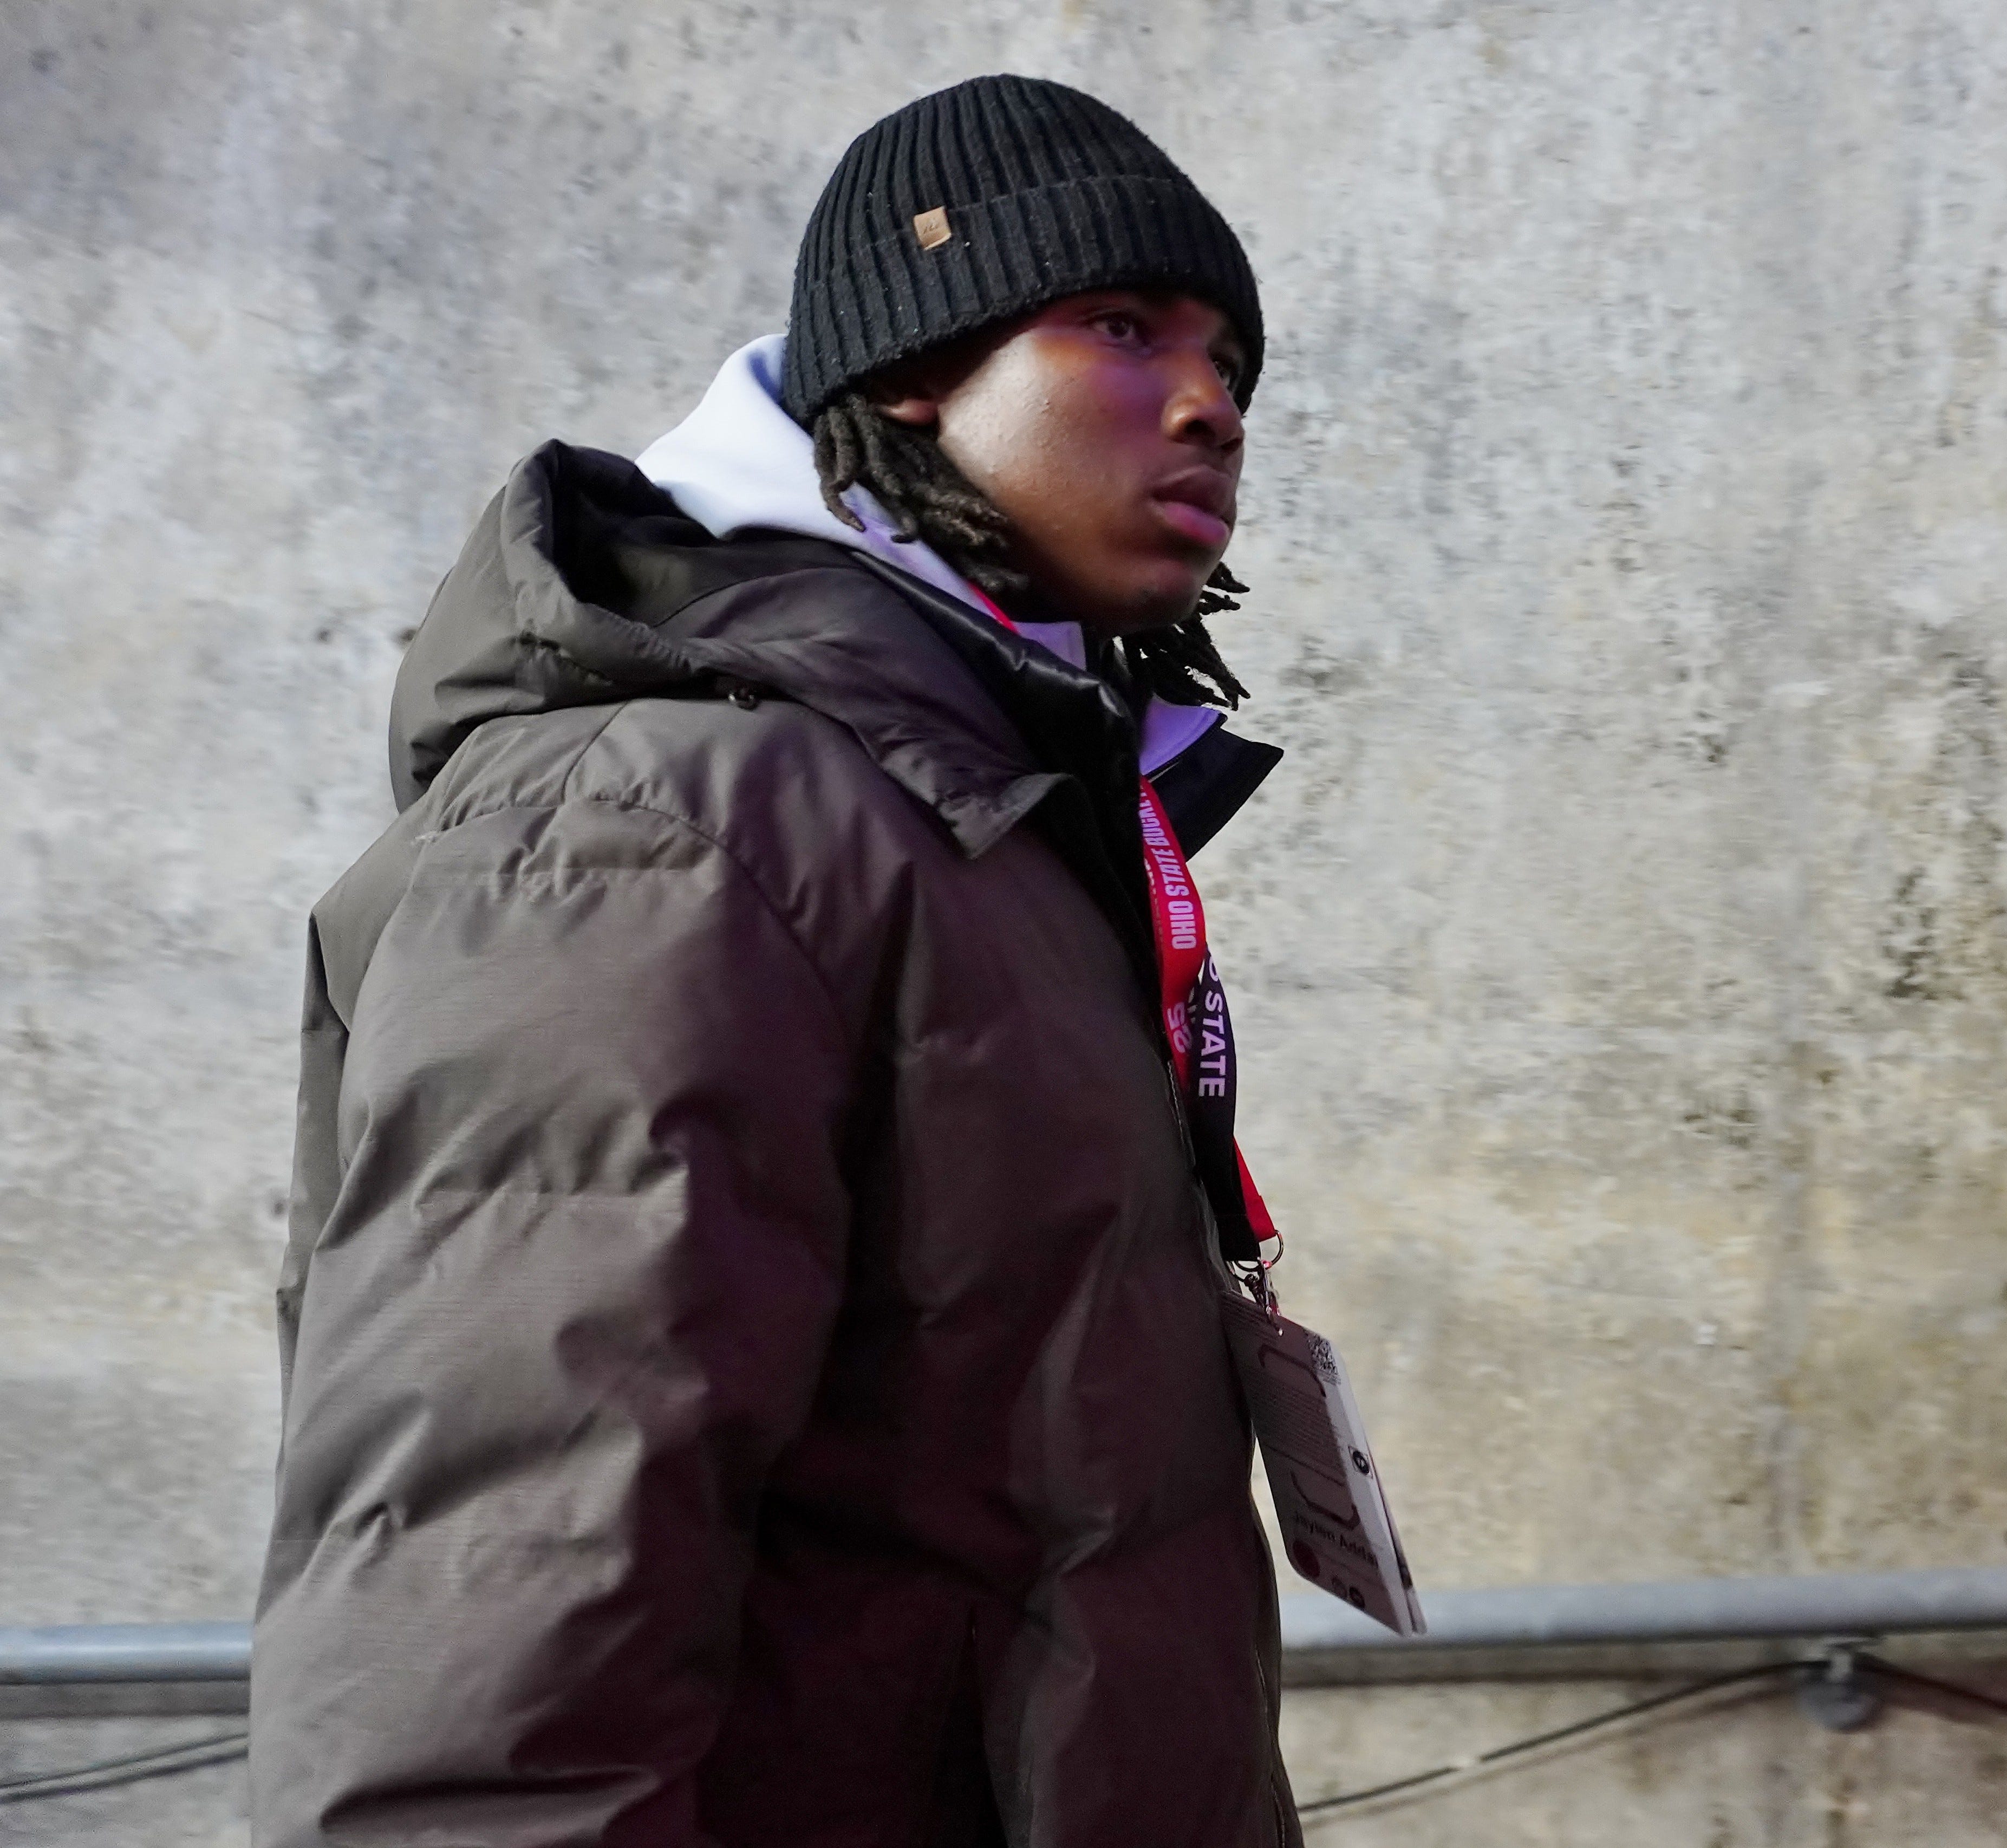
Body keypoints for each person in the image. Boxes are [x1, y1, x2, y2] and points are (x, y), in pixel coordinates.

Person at [251, 75, 1302, 1846]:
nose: (1207, 405)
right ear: (909, 374)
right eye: (1122, 329)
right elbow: (497, 1553)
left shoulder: (978, 815)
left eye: (1226, 361)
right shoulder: (664, 815)